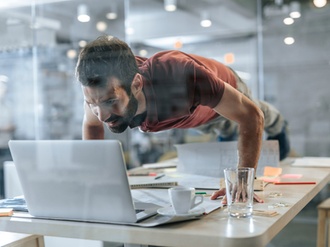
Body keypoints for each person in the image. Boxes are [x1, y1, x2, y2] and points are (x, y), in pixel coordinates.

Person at [75, 35, 290, 203]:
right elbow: (92, 128)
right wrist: (95, 180)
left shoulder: (181, 75)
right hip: (193, 116)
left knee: (256, 113)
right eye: (92, 104)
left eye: (110, 101)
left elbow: (251, 117)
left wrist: (243, 182)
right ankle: (225, 135)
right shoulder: (99, 94)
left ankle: (280, 125)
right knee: (219, 131)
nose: (101, 116)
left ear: (137, 84)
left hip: (225, 88)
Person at [0, 76, 15, 199]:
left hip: (6, 145)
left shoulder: (7, 106)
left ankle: (5, 198)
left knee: (6, 174)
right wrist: (4, 128)